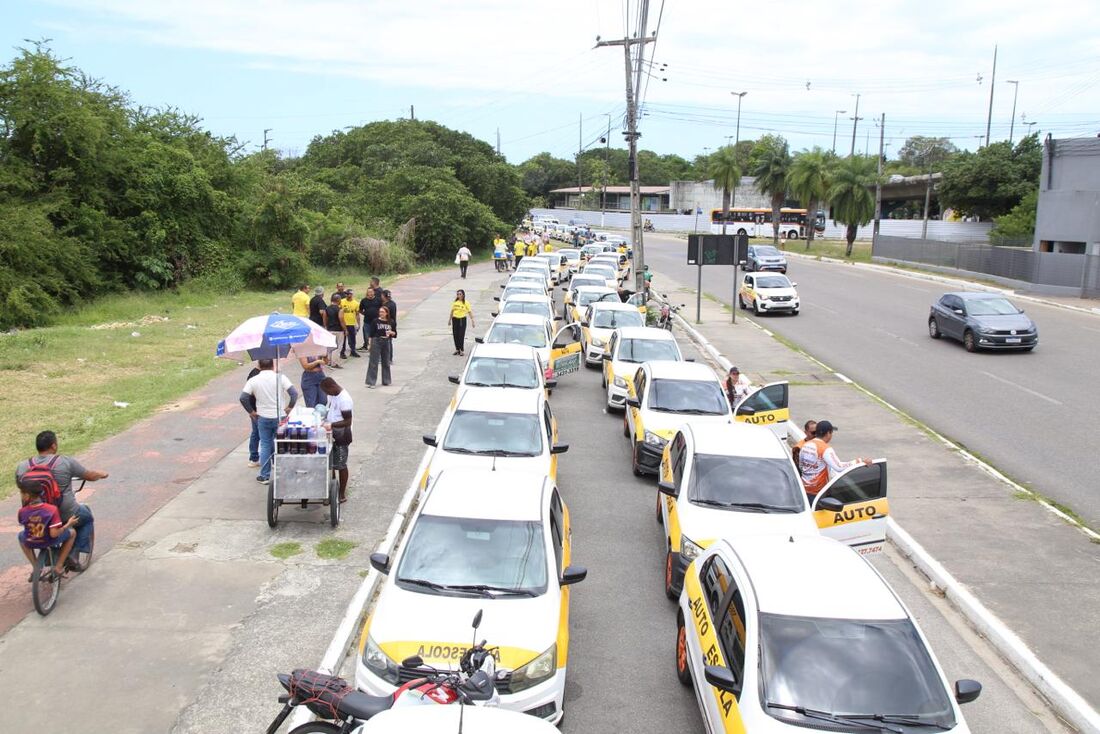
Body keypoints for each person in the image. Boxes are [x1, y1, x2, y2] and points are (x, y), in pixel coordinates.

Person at [16, 431, 109, 529]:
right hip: (65, 513)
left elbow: (20, 485)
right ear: (53, 446)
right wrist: (101, 474)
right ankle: (79, 545)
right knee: (86, 517)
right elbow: (89, 476)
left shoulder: (23, 466)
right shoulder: (63, 462)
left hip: (33, 516)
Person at [240, 359, 298, 484]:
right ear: (273, 366)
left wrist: (251, 412)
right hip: (280, 416)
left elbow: (243, 397)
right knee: (281, 444)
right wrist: (289, 407)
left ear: (259, 366)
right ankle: (283, 472)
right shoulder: (281, 378)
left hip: (263, 416)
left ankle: (265, 475)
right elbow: (294, 393)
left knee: (265, 445)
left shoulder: (253, 380)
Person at [17, 483, 79, 578]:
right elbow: (54, 534)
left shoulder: (22, 511)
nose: (21, 495)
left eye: (21, 493)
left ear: (27, 496)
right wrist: (68, 525)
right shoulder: (51, 509)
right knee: (72, 533)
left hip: (31, 541)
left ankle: (36, 567)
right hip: (48, 540)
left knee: (21, 536)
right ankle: (58, 566)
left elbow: (25, 525)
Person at [798, 420, 873, 498]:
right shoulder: (825, 448)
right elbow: (839, 467)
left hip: (804, 490)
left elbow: (801, 466)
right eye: (831, 433)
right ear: (828, 433)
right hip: (818, 492)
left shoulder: (805, 445)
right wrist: (859, 461)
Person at [320, 377, 353, 503]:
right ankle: (333, 489)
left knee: (341, 464)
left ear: (332, 387)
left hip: (342, 435)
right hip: (331, 433)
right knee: (331, 463)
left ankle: (341, 494)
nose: (327, 394)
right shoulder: (332, 395)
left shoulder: (344, 399)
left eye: (327, 391)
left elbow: (348, 421)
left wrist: (332, 425)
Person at [366, 306, 395, 387]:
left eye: (382, 312)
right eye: (380, 312)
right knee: (373, 362)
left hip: (386, 341)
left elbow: (395, 333)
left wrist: (392, 333)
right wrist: (369, 344)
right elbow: (371, 334)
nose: (381, 313)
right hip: (376, 341)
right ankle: (371, 382)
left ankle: (386, 380)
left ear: (386, 313)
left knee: (386, 361)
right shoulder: (375, 321)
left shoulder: (391, 322)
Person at [244, 364, 262, 467]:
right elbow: (246, 396)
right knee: (258, 434)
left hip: (256, 409)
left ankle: (254, 457)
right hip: (257, 410)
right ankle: (254, 457)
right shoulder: (255, 376)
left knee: (256, 433)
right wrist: (251, 411)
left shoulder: (255, 374)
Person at [449, 289, 475, 356]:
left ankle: (461, 350)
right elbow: (452, 311)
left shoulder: (466, 303)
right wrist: (449, 320)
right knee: (455, 335)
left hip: (462, 320)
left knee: (461, 335)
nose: (458, 295)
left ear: (463, 295)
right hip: (455, 319)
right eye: (457, 294)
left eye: (460, 294)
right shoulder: (455, 302)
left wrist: (472, 320)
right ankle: (457, 349)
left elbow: (469, 312)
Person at [322, 293, 345, 369]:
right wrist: (345, 329)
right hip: (338, 330)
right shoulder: (340, 309)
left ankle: (328, 362)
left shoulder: (327, 309)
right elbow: (341, 319)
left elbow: (324, 318)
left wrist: (326, 327)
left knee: (330, 346)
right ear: (338, 300)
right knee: (337, 347)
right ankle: (334, 363)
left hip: (329, 330)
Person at [359, 287, 382, 351]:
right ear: (367, 293)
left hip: (377, 322)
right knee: (367, 337)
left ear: (374, 292)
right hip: (367, 322)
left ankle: (376, 349)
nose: (370, 293)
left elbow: (382, 309)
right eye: (369, 292)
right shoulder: (364, 300)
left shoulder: (378, 300)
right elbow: (360, 310)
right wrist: (365, 314)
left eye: (371, 292)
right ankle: (370, 349)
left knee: (377, 336)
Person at [340, 288, 361, 358]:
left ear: (351, 294)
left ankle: (353, 351)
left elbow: (357, 314)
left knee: (352, 338)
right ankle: (342, 352)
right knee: (343, 339)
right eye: (346, 294)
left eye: (349, 294)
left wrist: (358, 323)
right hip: (344, 323)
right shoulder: (342, 302)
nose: (347, 295)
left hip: (351, 323)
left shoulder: (356, 303)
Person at [381, 289, 397, 364]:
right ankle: (388, 358)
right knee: (387, 342)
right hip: (391, 323)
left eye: (382, 295)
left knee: (387, 342)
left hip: (388, 324)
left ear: (384, 296)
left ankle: (389, 359)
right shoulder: (393, 303)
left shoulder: (387, 305)